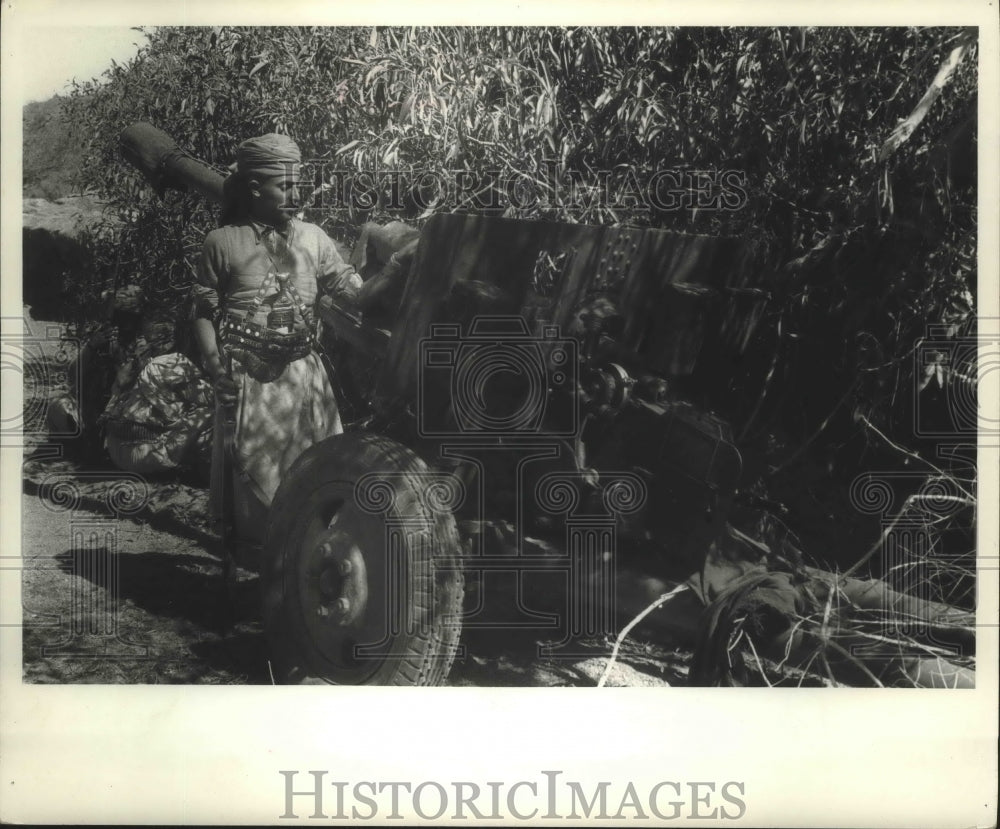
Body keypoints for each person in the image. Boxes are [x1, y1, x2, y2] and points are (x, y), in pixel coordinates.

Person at [191, 133, 362, 557]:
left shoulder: (314, 238)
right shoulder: (222, 242)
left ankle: (304, 566)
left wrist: (387, 282)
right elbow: (201, 312)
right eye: (285, 186)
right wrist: (216, 370)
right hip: (249, 383)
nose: (297, 195)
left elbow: (348, 288)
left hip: (305, 380)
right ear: (254, 188)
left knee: (314, 482)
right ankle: (263, 568)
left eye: (299, 185)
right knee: (257, 490)